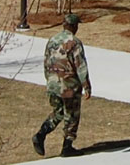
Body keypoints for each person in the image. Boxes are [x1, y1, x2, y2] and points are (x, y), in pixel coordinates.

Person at [36, 13, 90, 157]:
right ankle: (67, 146)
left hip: (53, 83)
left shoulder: (52, 40)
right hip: (68, 85)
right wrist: (86, 85)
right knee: (71, 114)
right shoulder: (74, 42)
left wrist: (49, 81)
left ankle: (40, 134)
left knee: (58, 112)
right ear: (73, 26)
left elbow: (46, 62)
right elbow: (80, 66)